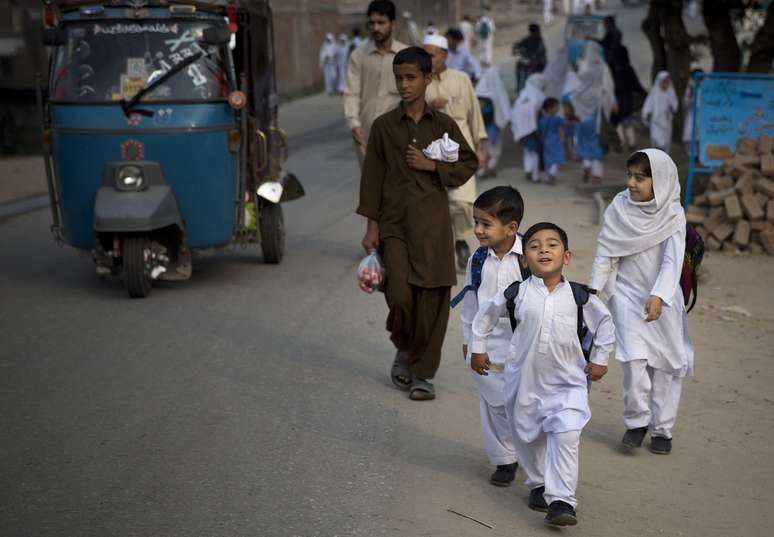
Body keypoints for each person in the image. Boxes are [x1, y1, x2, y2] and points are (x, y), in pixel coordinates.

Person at [471, 222, 615, 527]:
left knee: (566, 433)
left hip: (568, 383)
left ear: (567, 256)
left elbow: (605, 325)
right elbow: (484, 319)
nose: (544, 250)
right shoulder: (515, 293)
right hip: (523, 381)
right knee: (528, 436)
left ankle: (562, 500)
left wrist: (600, 358)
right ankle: (538, 483)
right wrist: (478, 349)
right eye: (534, 246)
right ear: (525, 261)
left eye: (552, 245)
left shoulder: (580, 296)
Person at [358, 47, 479, 401]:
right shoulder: (383, 127)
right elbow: (372, 179)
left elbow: (468, 164)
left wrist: (432, 166)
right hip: (394, 227)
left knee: (432, 300)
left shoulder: (442, 125)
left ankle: (423, 374)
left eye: (411, 77)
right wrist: (372, 226)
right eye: (399, 78)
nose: (404, 84)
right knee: (399, 295)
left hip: (433, 228)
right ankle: (405, 347)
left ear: (428, 79)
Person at [589, 149, 694, 455]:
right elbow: (606, 253)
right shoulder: (618, 208)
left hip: (663, 300)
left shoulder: (673, 214)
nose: (632, 184)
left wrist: (659, 295)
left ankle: (663, 428)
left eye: (640, 177)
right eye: (630, 176)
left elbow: (672, 261)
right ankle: (636, 422)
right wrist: (593, 293)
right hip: (625, 297)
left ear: (659, 180)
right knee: (633, 363)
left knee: (666, 366)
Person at [457, 187, 525, 487]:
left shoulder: (530, 258)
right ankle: (504, 460)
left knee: (523, 403)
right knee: (493, 402)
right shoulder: (478, 259)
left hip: (523, 343)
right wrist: (470, 342)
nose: (478, 230)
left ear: (511, 228)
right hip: (488, 345)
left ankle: (529, 453)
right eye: (476, 222)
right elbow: (470, 302)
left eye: (486, 223)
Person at [424, 33, 488, 272]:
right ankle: (443, 248)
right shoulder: (419, 83)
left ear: (444, 56)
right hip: (430, 155)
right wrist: (429, 106)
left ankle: (460, 239)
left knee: (462, 203)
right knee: (435, 205)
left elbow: (475, 115)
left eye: (431, 54)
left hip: (462, 155)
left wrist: (480, 148)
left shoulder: (461, 79)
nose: (427, 59)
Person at [344, 1, 408, 167]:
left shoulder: (405, 55)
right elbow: (352, 92)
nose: (376, 28)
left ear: (392, 24)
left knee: (397, 185)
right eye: (372, 23)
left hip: (399, 133)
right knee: (372, 187)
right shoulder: (358, 57)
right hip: (366, 133)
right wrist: (354, 123)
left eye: (381, 23)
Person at [564, 41, 616, 183]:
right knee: (596, 142)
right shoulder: (602, 68)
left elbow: (573, 92)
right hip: (596, 117)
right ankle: (596, 173)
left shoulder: (583, 69)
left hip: (581, 118)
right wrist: (610, 104)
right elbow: (607, 89)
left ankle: (586, 164)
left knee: (583, 142)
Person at [607, 43, 646, 152]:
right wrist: (644, 94)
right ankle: (631, 143)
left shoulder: (611, 69)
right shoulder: (628, 68)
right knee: (628, 123)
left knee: (618, 123)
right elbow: (636, 84)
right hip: (627, 101)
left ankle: (620, 143)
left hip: (615, 101)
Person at [511, 73, 547, 183]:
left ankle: (528, 170)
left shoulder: (522, 95)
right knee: (535, 152)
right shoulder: (539, 95)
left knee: (527, 150)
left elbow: (513, 113)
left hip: (522, 130)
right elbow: (541, 113)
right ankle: (535, 176)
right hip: (533, 129)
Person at [475, 65, 510, 177]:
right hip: (492, 125)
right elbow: (503, 107)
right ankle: (491, 165)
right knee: (494, 145)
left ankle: (481, 169)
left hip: (480, 125)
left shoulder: (479, 89)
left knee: (481, 146)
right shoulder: (497, 89)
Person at [642, 71, 678, 152]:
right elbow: (648, 104)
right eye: (664, 81)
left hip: (666, 122)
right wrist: (646, 114)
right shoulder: (654, 92)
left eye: (667, 81)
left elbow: (675, 105)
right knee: (656, 141)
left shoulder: (671, 92)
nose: (665, 83)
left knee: (666, 142)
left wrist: (672, 107)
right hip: (655, 122)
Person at [538, 97, 566, 184]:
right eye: (556, 106)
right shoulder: (556, 118)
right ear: (550, 108)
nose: (558, 108)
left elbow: (540, 130)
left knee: (548, 159)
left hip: (546, 141)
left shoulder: (542, 120)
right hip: (555, 141)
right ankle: (552, 174)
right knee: (556, 158)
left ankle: (548, 176)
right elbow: (565, 124)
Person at [512, 24, 547, 93]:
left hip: (539, 63)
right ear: (532, 32)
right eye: (537, 31)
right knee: (519, 66)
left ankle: (538, 87)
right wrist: (516, 50)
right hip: (528, 61)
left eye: (538, 31)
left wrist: (534, 57)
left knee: (539, 72)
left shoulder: (539, 40)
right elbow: (516, 46)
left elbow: (541, 52)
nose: (538, 33)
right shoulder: (527, 40)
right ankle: (518, 85)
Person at [682, 68, 703, 157]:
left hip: (702, 115)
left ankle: (699, 155)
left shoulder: (705, 88)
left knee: (700, 134)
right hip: (692, 114)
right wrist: (690, 96)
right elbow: (686, 103)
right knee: (690, 134)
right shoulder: (690, 88)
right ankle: (691, 155)